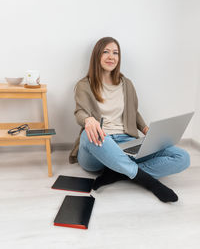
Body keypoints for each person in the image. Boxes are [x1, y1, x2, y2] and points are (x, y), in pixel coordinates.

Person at [69, 37, 190, 203]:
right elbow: (80, 112)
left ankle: (119, 172)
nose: (111, 56)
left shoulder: (127, 84)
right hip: (98, 147)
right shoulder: (85, 85)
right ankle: (147, 181)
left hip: (126, 142)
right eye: (106, 51)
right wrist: (88, 120)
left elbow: (133, 112)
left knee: (182, 157)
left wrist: (147, 130)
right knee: (90, 135)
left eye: (115, 53)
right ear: (97, 55)